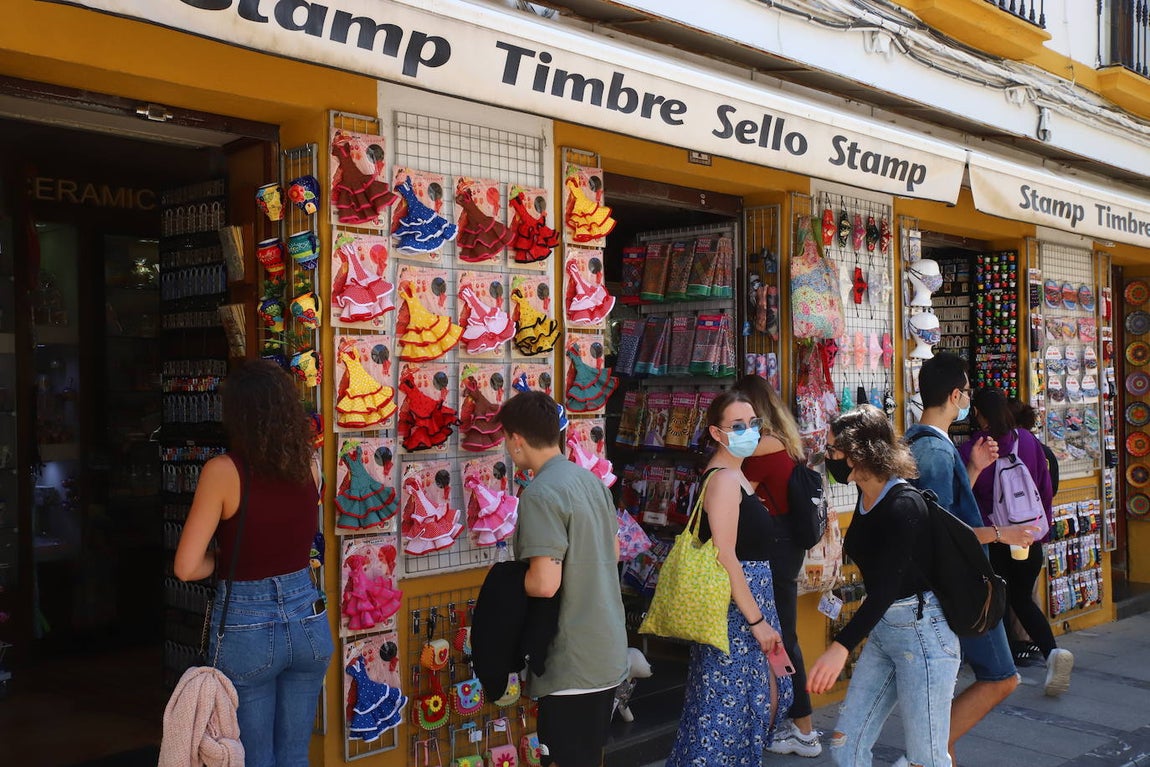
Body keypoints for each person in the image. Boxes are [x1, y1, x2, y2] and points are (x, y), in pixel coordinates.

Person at [174, 360, 331, 767]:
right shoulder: (310, 466)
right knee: (295, 755)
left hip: (247, 623)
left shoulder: (224, 472)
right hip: (307, 616)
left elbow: (187, 567)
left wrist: (226, 559)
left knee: (253, 758)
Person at [807, 405, 960, 767]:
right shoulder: (866, 495)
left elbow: (888, 587)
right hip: (885, 631)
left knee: (927, 758)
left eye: (832, 450)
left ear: (859, 452)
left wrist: (840, 646)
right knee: (846, 746)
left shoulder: (904, 504)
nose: (827, 458)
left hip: (923, 635)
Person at [904, 352, 1036, 761]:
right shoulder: (936, 452)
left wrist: (974, 471)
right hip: (960, 585)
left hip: (947, 585)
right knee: (1001, 677)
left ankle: (935, 752)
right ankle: (929, 750)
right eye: (967, 393)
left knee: (950, 683)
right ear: (956, 395)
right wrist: (1002, 533)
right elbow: (939, 532)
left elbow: (942, 511)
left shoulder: (920, 442)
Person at [494, 390, 628, 767]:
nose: (507, 446)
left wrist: (500, 586)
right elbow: (614, 553)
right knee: (587, 755)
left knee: (562, 758)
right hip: (606, 645)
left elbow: (544, 582)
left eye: (506, 438)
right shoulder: (592, 483)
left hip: (571, 656)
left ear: (517, 440)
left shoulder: (540, 493)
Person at [667, 390, 793, 766]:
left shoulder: (735, 473)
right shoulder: (722, 479)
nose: (749, 431)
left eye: (753, 424)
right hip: (737, 611)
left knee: (755, 704)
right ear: (717, 433)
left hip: (748, 605)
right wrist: (756, 622)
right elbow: (725, 555)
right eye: (738, 426)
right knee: (730, 712)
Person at [962, 388, 1073, 696]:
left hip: (992, 537)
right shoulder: (1028, 441)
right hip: (1027, 537)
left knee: (993, 600)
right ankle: (1052, 652)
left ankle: (1003, 668)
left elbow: (962, 496)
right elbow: (1045, 489)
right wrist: (1042, 531)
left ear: (977, 414)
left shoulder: (975, 448)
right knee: (1022, 599)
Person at [735, 374, 822, 757]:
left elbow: (732, 489)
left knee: (781, 637)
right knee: (781, 634)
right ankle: (788, 722)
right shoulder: (785, 441)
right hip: (786, 546)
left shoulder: (760, 448)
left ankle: (804, 730)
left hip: (772, 548)